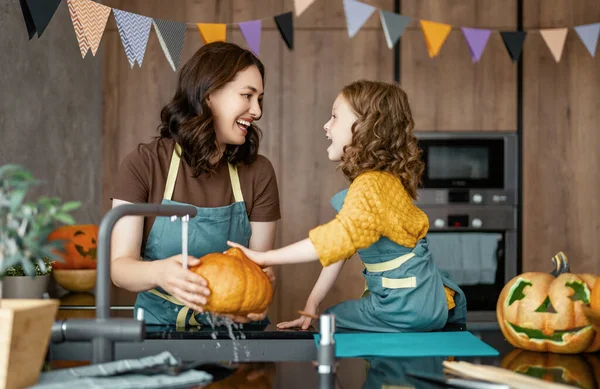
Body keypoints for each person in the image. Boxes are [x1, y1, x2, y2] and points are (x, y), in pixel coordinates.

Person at [229, 80, 467, 332]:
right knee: (331, 318)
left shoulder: (371, 186)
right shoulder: (380, 183)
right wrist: (313, 301)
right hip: (423, 298)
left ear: (366, 127)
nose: (326, 125)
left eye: (334, 117)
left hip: (406, 304)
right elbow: (341, 249)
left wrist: (265, 256)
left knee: (332, 323)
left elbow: (335, 240)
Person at [109, 42, 280, 327]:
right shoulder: (144, 164)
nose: (257, 110)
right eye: (247, 96)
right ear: (210, 94)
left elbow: (260, 270)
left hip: (236, 334)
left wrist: (259, 297)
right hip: (157, 332)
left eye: (259, 99)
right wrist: (160, 273)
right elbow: (120, 267)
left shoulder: (259, 172)